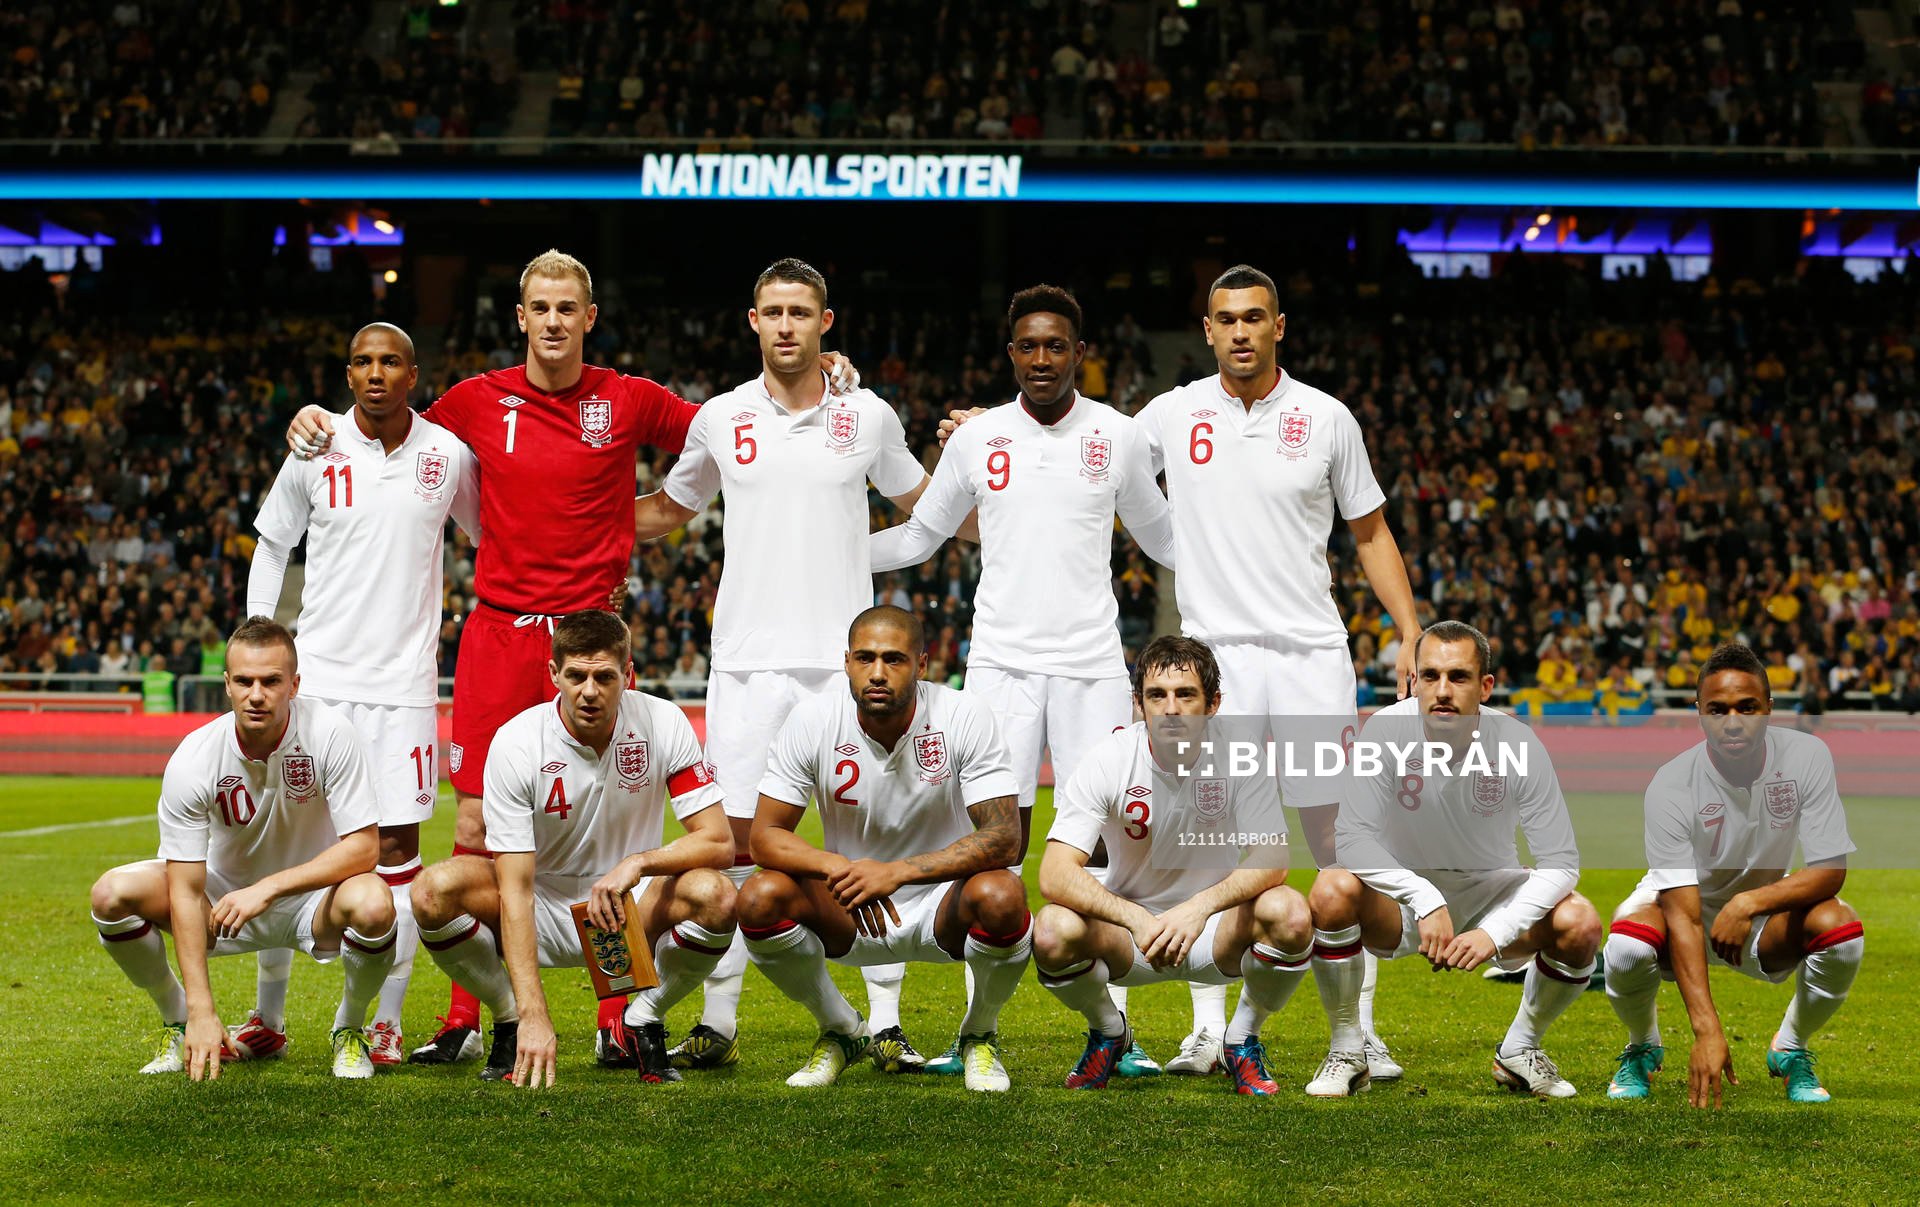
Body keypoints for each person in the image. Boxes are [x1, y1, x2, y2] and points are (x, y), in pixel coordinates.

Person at [287, 250, 850, 1067]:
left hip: (590, 642)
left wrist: (820, 375)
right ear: (521, 317)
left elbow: (735, 424)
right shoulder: (475, 402)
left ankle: (617, 1012)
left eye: (567, 308)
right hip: (500, 633)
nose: (553, 320)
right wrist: (317, 416)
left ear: (590, 318)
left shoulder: (626, 399)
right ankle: (477, 1016)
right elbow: (387, 426)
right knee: (477, 825)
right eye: (539, 307)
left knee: (610, 833)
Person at [630, 259, 933, 1073]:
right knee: (731, 846)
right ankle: (720, 1022)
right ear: (752, 321)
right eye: (774, 311)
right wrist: (567, 517)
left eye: (802, 311)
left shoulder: (867, 415)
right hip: (750, 665)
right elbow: (666, 508)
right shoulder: (720, 418)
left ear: (825, 322)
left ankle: (888, 1019)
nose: (788, 325)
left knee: (865, 840)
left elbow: (929, 507)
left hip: (844, 669)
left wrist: (989, 460)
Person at [868, 283, 1178, 1076]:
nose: (1042, 358)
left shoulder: (1118, 435)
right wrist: (828, 556)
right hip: (1001, 665)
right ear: (1011, 355)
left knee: (1109, 849)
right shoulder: (978, 441)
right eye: (1028, 346)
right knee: (991, 849)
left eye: (1056, 345)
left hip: (1092, 668)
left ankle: (1117, 1031)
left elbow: (1167, 539)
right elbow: (921, 536)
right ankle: (980, 1032)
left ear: (1081, 353)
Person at [1133, 263, 1424, 1079]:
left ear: (1278, 327)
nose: (1238, 332)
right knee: (1213, 842)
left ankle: (1357, 1027)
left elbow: (1369, 532)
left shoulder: (1326, 419)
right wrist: (992, 425)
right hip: (1215, 658)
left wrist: (1408, 631)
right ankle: (1206, 1028)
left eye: (1253, 317)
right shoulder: (1172, 411)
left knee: (1338, 844)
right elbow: (1088, 444)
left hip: (1307, 655)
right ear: (1208, 330)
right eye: (1224, 318)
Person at [242, 322, 478, 1066]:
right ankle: (268, 1016)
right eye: (363, 361)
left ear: (414, 374)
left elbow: (493, 539)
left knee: (398, 852)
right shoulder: (314, 446)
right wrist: (258, 635)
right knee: (289, 839)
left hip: (404, 689)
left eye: (391, 361)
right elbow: (273, 542)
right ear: (348, 374)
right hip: (320, 684)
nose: (376, 373)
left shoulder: (448, 455)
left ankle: (381, 1020)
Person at [409, 611, 735, 1086]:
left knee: (717, 894)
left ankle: (642, 1018)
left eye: (604, 677)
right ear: (554, 674)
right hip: (539, 906)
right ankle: (506, 1019)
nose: (589, 691)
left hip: (628, 912)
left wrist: (638, 862)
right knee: (431, 891)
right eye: (577, 676)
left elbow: (719, 840)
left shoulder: (663, 721)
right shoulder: (518, 742)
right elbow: (515, 891)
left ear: (629, 675)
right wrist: (532, 1012)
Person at [87, 617, 397, 1080]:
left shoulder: (331, 733)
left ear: (294, 685)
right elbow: (186, 890)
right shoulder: (195, 758)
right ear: (227, 685)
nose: (257, 694)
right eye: (245, 681)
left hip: (313, 901)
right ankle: (177, 1020)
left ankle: (349, 1028)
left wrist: (269, 888)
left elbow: (364, 849)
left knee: (374, 903)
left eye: (271, 681)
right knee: (110, 895)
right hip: (222, 901)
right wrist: (200, 1009)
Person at [736, 606, 1029, 1091]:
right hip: (851, 902)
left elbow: (1004, 836)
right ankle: (841, 1028)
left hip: (942, 904)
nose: (877, 673)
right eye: (865, 658)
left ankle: (978, 1035)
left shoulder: (962, 714)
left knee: (1002, 894)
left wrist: (897, 872)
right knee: (758, 897)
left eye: (893, 659)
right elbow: (764, 836)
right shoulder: (812, 720)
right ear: (846, 662)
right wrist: (837, 865)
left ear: (922, 664)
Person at [1305, 620, 1599, 1098]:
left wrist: (1494, 932)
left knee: (1581, 923)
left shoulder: (1518, 743)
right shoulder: (1385, 730)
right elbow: (1352, 837)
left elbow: (1561, 861)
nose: (1442, 690)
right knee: (1330, 888)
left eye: (1458, 677)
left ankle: (1520, 1049)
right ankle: (1348, 1048)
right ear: (1414, 680)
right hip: (1401, 899)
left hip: (1490, 894)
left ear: (1485, 686)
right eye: (1430, 676)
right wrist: (1423, 897)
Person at [1032, 635, 1311, 1095]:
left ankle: (1240, 1039)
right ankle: (1109, 1032)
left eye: (1185, 694)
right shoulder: (1110, 757)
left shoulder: (1241, 753)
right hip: (1130, 937)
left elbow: (1273, 857)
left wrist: (1199, 908)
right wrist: (1135, 917)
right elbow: (1055, 872)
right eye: (1156, 695)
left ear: (1213, 703)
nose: (1171, 708)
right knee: (1051, 929)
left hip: (1214, 932)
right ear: (1138, 703)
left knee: (1291, 912)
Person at [1603, 642, 1862, 1107]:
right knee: (1624, 945)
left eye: (1748, 707)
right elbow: (1683, 915)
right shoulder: (1671, 783)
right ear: (1699, 712)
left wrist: (1747, 903)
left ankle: (1791, 1047)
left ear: (1769, 709)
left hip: (1757, 919)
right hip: (1680, 908)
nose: (1734, 720)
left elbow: (1830, 871)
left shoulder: (1807, 757)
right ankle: (1643, 1044)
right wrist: (1708, 1032)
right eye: (1717, 709)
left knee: (1841, 931)